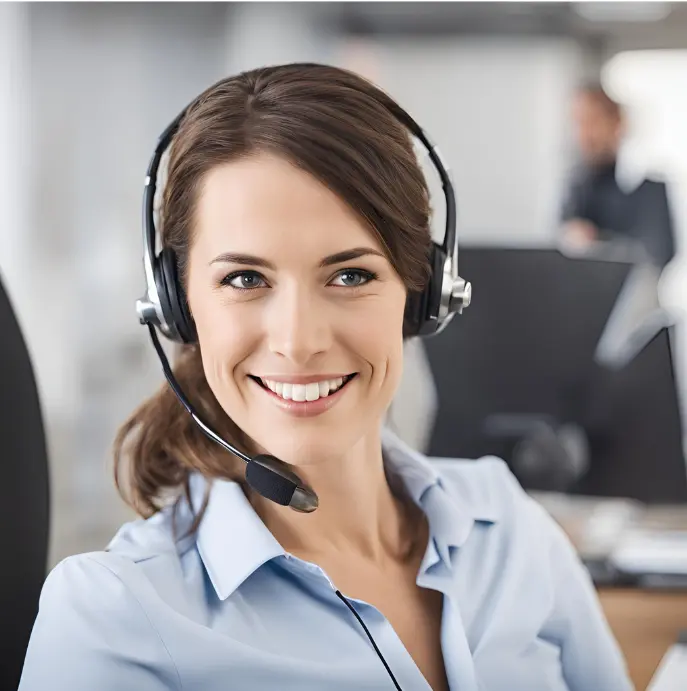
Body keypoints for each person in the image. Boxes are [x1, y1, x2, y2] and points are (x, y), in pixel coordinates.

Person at [19, 64, 633, 691]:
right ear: (178, 307)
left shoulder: (508, 528)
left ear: (421, 295)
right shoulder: (114, 616)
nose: (299, 341)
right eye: (245, 279)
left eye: (350, 276)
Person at [560, 82, 675, 268]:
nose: (585, 134)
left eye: (593, 121)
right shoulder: (578, 184)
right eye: (579, 123)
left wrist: (596, 243)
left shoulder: (647, 185)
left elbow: (657, 252)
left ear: (617, 123)